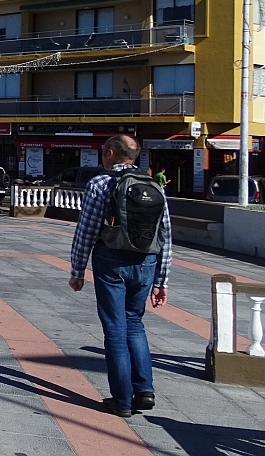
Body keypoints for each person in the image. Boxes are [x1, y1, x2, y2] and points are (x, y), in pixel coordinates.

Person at [69, 134, 171, 417]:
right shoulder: (154, 186)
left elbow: (86, 231)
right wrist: (161, 281)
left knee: (115, 329)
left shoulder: (101, 184)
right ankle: (145, 390)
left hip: (111, 262)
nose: (103, 155)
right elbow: (166, 235)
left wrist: (77, 270)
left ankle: (122, 401)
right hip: (146, 264)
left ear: (112, 154)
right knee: (134, 323)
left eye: (104, 152)